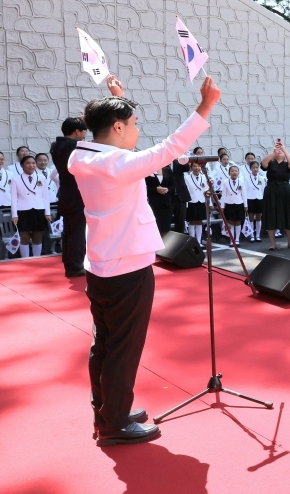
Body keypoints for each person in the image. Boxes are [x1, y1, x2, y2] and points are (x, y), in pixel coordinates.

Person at [69, 75, 220, 446]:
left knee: (104, 343)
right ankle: (115, 423)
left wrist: (119, 100)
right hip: (127, 267)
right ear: (117, 127)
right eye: (133, 124)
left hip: (102, 264)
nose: (138, 130)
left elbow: (113, 140)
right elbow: (169, 148)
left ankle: (107, 409)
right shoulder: (118, 164)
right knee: (123, 347)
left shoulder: (81, 155)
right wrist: (205, 107)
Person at [50, 116, 91, 276]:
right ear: (77, 131)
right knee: (78, 231)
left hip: (65, 192)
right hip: (77, 193)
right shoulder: (76, 146)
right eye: (84, 131)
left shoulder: (56, 145)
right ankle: (75, 265)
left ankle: (69, 263)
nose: (85, 134)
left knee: (68, 230)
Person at [10, 155, 52, 258]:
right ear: (22, 165)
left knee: (38, 235)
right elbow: (14, 199)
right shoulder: (16, 179)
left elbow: (45, 197)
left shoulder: (41, 178)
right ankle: (25, 259)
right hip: (23, 210)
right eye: (28, 163)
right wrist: (14, 215)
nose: (31, 165)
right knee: (24, 236)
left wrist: (47, 213)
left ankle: (37, 258)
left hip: (38, 210)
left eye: (33, 163)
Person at [261, 139, 290, 250]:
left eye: (281, 151)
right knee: (271, 215)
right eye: (278, 150)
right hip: (271, 190)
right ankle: (272, 243)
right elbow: (263, 163)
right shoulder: (270, 163)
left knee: (288, 215)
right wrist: (274, 151)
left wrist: (284, 149)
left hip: (285, 190)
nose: (279, 151)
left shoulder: (287, 164)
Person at [219, 165, 247, 244]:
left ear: (238, 172)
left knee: (238, 222)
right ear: (229, 173)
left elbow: (244, 194)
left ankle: (237, 239)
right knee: (230, 222)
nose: (234, 173)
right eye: (232, 171)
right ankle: (232, 239)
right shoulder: (225, 182)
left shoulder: (241, 181)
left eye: (236, 171)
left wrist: (245, 205)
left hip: (239, 203)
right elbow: (224, 195)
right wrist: (222, 206)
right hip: (229, 203)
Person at [145, 165, 174, 236]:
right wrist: (155, 189)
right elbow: (144, 187)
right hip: (153, 204)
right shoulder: (147, 171)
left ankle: (166, 245)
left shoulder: (167, 170)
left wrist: (167, 189)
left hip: (166, 204)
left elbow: (173, 185)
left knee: (166, 227)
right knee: (156, 227)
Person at [183, 162, 208, 243]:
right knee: (192, 222)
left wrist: (209, 203)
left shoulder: (204, 177)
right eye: (195, 166)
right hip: (191, 201)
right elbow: (186, 191)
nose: (197, 168)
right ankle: (192, 242)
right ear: (191, 167)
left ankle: (199, 241)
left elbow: (207, 191)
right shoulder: (187, 177)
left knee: (199, 222)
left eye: (199, 166)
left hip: (201, 201)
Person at [245, 160, 266, 242]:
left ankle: (258, 235)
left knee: (258, 217)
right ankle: (252, 235)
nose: (255, 169)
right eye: (253, 167)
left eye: (257, 167)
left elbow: (263, 190)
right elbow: (245, 190)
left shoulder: (262, 178)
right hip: (250, 199)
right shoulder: (246, 178)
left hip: (259, 199)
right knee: (250, 217)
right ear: (250, 168)